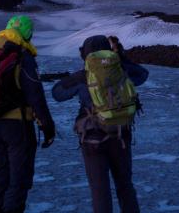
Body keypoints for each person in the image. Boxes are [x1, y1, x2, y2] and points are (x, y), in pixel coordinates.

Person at [52, 35, 149, 213]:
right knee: (125, 186)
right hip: (120, 135)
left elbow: (57, 93)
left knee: (99, 190)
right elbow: (143, 74)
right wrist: (121, 58)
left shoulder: (83, 76)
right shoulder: (121, 70)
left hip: (92, 139)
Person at [0, 15, 56, 213]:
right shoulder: (22, 56)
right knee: (18, 181)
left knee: (1, 178)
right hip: (17, 127)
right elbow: (35, 95)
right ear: (27, 33)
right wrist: (48, 127)